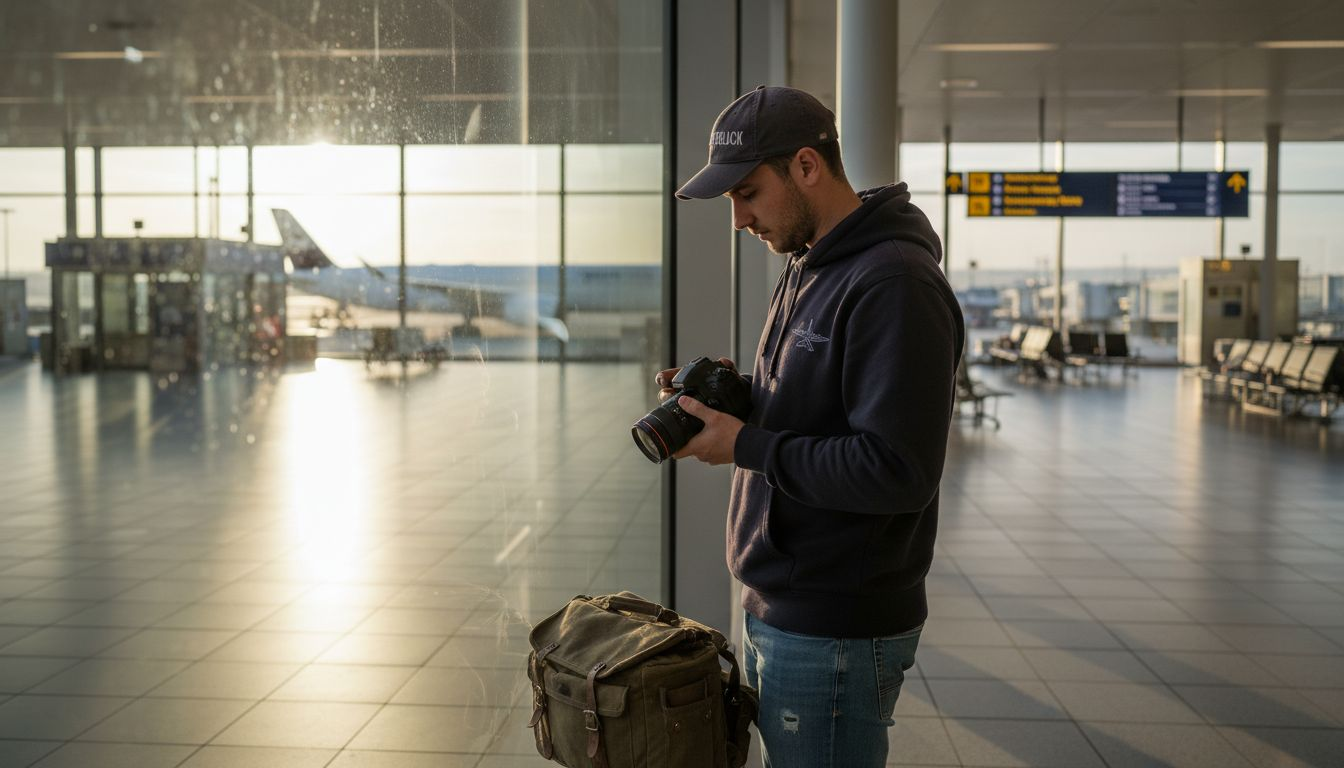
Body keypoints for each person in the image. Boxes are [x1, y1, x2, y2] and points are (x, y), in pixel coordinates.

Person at [658, 85, 963, 768]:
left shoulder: (894, 283)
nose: (738, 219)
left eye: (746, 194)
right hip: (786, 606)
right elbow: (820, 409)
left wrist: (747, 444)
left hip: (836, 628)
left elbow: (897, 471)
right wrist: (736, 400)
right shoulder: (807, 265)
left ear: (805, 166)